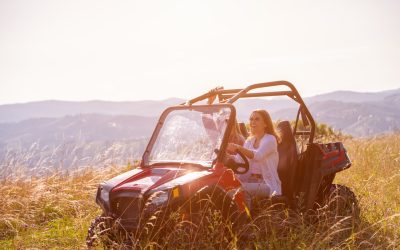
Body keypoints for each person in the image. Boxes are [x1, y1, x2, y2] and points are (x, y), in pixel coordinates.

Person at [227, 109, 281, 200]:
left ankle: (246, 214)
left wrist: (239, 147)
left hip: (267, 183)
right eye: (251, 119)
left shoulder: (270, 139)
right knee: (227, 187)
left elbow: (258, 156)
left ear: (265, 124)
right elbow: (239, 159)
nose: (253, 122)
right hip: (249, 180)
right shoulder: (249, 141)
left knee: (241, 189)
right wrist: (226, 156)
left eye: (257, 119)